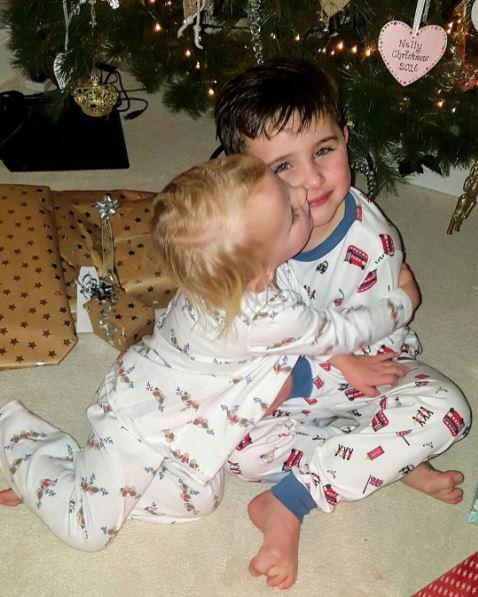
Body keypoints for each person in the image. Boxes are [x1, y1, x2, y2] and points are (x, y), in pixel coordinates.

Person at [0, 154, 417, 555]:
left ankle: (77, 479)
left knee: (200, 499)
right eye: (290, 212)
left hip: (195, 420)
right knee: (88, 532)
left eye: (282, 188)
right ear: (257, 274)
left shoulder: (220, 275)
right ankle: (20, 442)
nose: (300, 194)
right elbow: (338, 331)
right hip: (140, 417)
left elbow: (308, 336)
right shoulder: (264, 315)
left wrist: (341, 360)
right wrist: (400, 301)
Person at [215, 58, 471, 588]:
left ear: (346, 140)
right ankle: (376, 459)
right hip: (296, 378)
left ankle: (293, 498)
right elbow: (246, 329)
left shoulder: (372, 242)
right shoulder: (248, 231)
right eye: (283, 167)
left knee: (448, 413)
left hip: (369, 369)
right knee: (235, 449)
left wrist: (338, 362)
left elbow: (379, 334)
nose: (312, 179)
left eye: (324, 151)